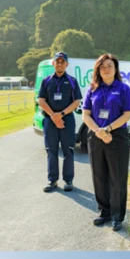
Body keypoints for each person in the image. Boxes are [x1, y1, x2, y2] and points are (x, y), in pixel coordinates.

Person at [82, 53, 130, 231]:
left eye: (109, 65)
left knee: (117, 177)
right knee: (99, 176)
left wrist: (108, 130)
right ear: (98, 70)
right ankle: (104, 212)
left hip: (116, 136)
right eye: (102, 66)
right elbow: (86, 115)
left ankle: (118, 216)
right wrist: (99, 131)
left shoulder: (124, 88)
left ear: (115, 68)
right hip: (96, 136)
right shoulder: (92, 89)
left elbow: (127, 114)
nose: (106, 69)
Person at [37, 52, 82, 193]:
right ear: (53, 63)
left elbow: (76, 102)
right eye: (58, 61)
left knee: (68, 150)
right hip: (50, 120)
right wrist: (53, 116)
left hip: (67, 119)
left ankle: (68, 180)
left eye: (63, 62)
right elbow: (41, 100)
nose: (60, 64)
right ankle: (52, 180)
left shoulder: (72, 81)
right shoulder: (46, 81)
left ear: (67, 64)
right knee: (51, 150)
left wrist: (61, 114)